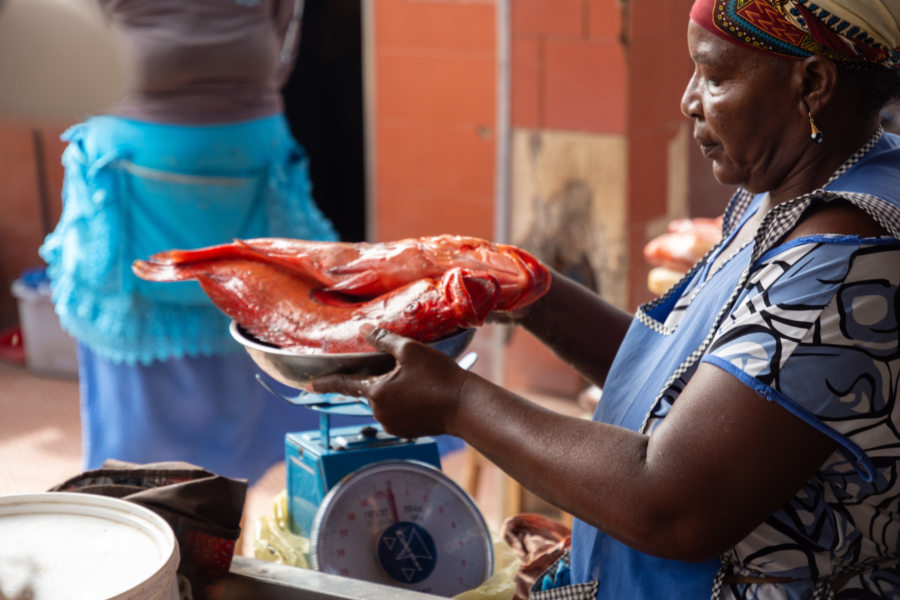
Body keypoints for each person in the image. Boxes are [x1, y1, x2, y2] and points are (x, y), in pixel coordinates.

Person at [310, 1, 900, 598]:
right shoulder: (786, 191)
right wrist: (530, 291)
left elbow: (672, 504)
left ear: (814, 85)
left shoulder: (848, 260)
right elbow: (700, 392)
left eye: (715, 77)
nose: (689, 100)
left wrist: (456, 403)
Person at [38, 0, 377, 485]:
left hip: (253, 184)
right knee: (142, 455)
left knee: (259, 379)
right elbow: (66, 52)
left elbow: (282, 42)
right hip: (133, 201)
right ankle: (158, 536)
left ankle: (222, 536)